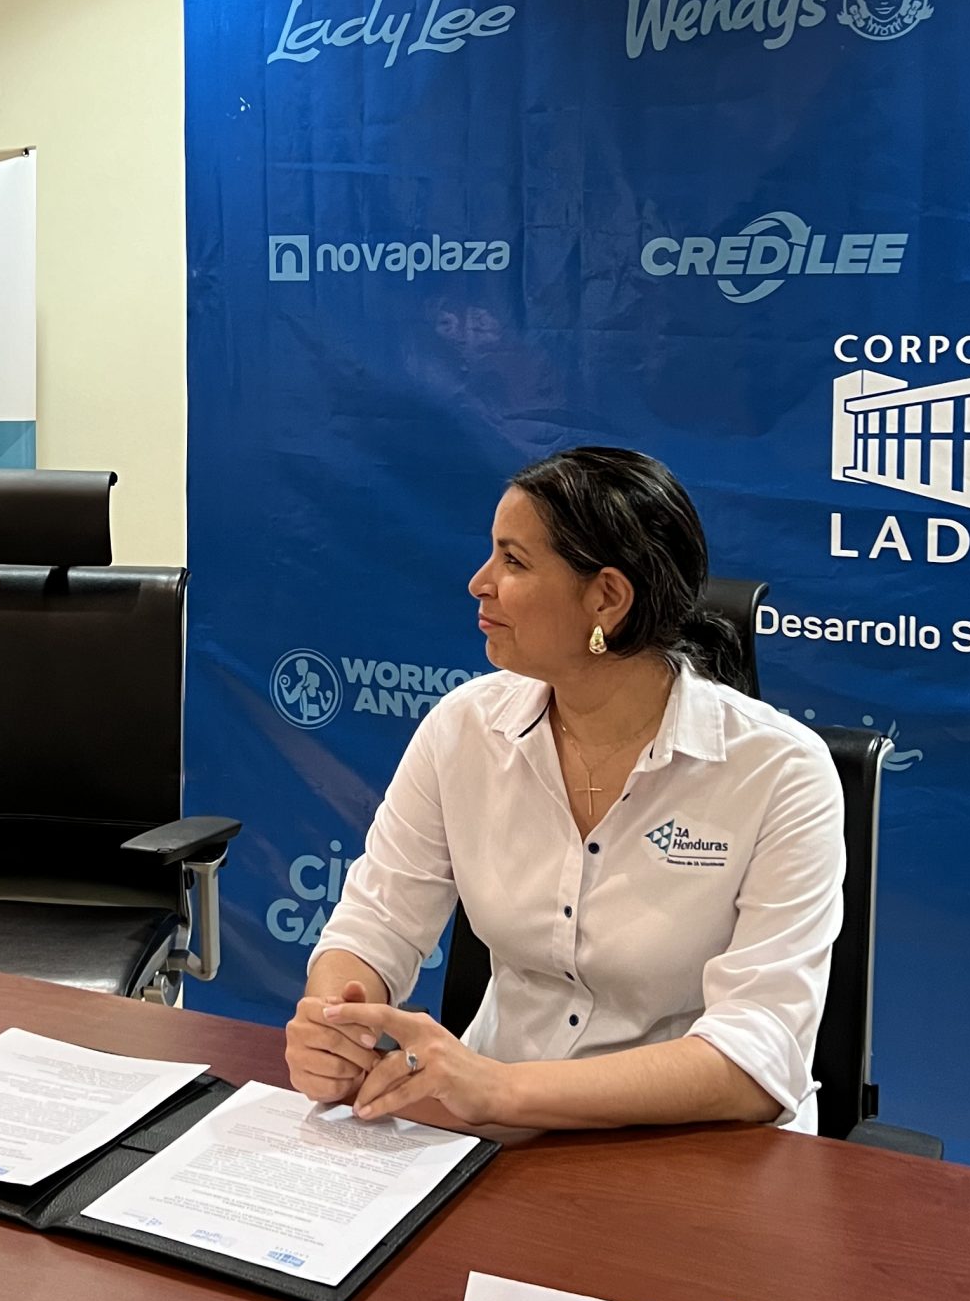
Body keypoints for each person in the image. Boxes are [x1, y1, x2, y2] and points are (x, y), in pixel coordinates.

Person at [285, 447, 845, 1134]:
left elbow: (758, 1058)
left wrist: (504, 1090)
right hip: (493, 1131)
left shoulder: (781, 772)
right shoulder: (464, 729)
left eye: (514, 561)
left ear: (606, 598)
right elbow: (378, 923)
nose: (479, 583)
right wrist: (336, 1023)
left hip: (697, 1148)